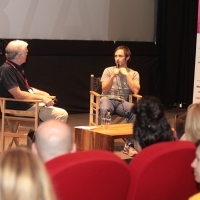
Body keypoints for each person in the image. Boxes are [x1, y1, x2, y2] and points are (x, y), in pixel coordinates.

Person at [0, 40, 68, 122]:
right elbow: (18, 94)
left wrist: (44, 94)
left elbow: (27, 88)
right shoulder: (7, 70)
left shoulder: (17, 68)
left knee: (53, 109)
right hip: (19, 106)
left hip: (26, 104)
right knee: (61, 114)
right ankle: (47, 134)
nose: (27, 54)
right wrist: (42, 98)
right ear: (19, 55)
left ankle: (44, 133)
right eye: (26, 53)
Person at [99, 45, 140, 123]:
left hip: (122, 102)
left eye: (120, 56)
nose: (117, 58)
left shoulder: (134, 73)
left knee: (136, 111)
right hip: (107, 99)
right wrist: (112, 76)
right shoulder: (108, 70)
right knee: (104, 109)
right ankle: (102, 134)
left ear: (127, 58)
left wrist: (127, 75)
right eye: (115, 56)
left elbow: (136, 91)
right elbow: (104, 90)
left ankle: (129, 134)